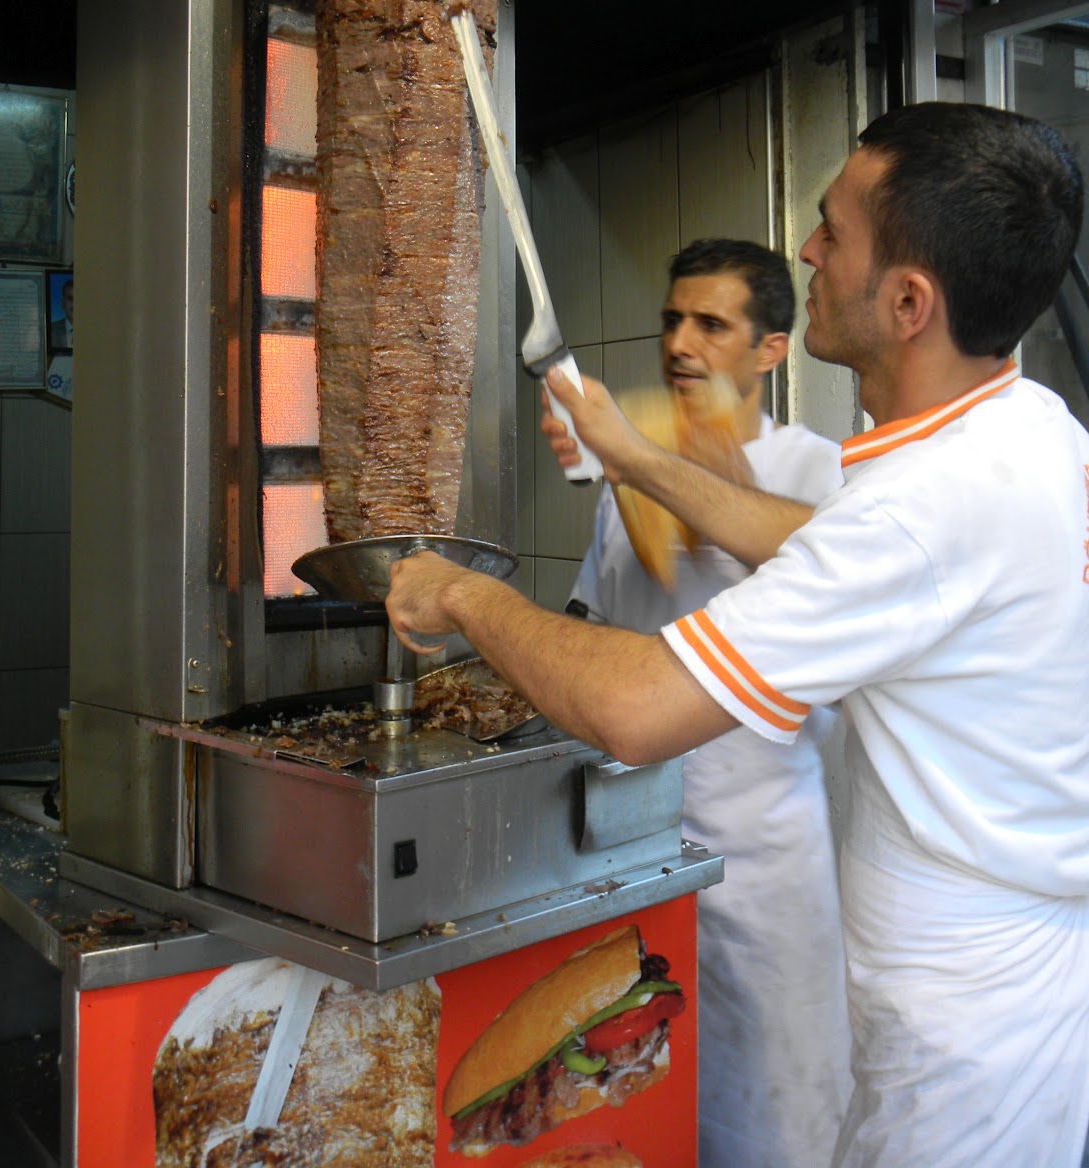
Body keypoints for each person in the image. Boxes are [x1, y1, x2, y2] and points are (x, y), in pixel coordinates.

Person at [386, 103, 1089, 1168]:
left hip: (960, 1042)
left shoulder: (923, 507)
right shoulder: (1028, 431)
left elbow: (637, 706)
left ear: (909, 301)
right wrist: (633, 452)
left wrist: (463, 595)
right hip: (1011, 984)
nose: (806, 247)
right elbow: (815, 542)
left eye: (834, 231)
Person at [568, 237, 850, 1168]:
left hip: (763, 854)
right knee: (636, 1088)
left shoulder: (823, 473)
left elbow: (803, 564)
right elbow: (595, 618)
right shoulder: (631, 476)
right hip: (630, 841)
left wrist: (661, 458)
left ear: (771, 349)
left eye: (712, 325)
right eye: (672, 322)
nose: (681, 345)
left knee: (776, 1103)